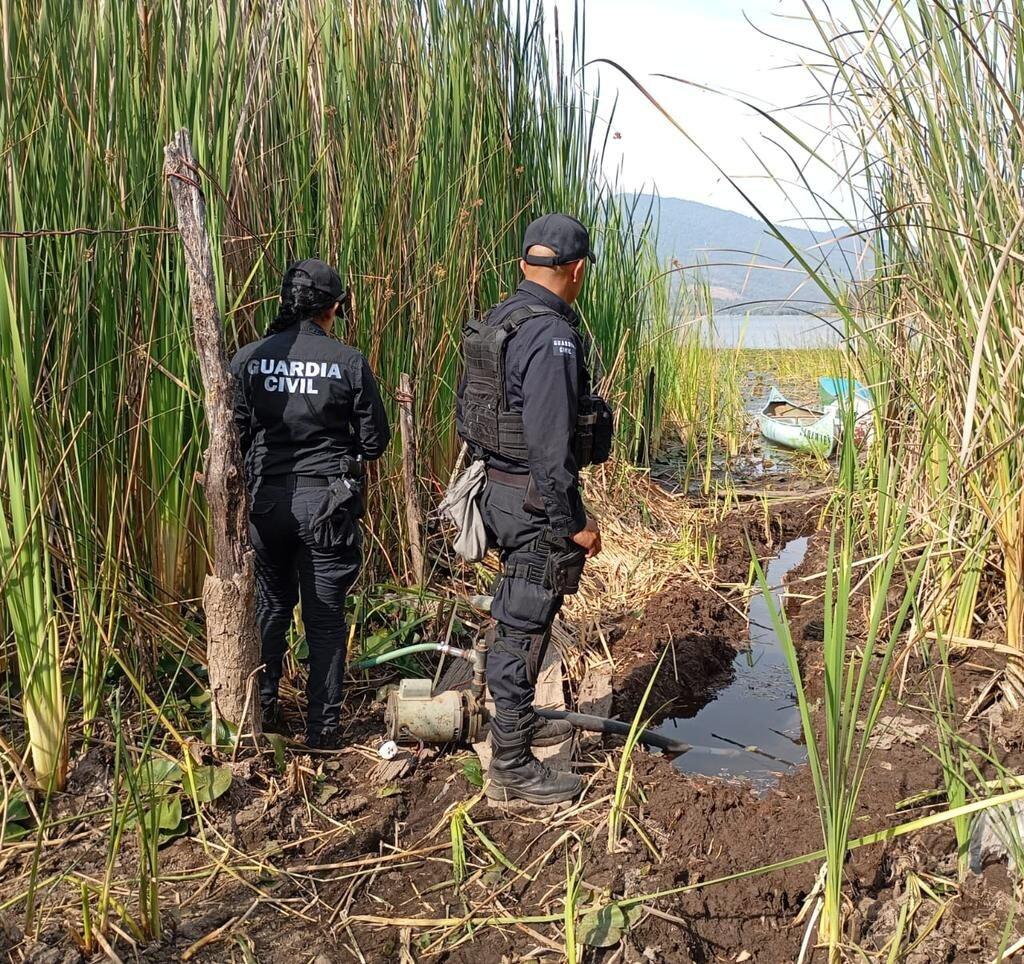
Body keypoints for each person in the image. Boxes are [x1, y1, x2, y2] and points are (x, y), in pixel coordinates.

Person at [456, 213, 612, 804]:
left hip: (499, 489)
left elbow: (473, 414)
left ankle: (517, 724)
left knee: (523, 614)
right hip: (533, 499)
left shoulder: (500, 321)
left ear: (526, 262)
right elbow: (550, 448)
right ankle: (512, 767)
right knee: (522, 623)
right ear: (574, 271)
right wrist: (574, 522)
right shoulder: (551, 337)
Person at [230, 259, 391, 749]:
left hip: (266, 504)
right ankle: (323, 731)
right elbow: (375, 441)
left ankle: (261, 712)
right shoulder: (347, 362)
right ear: (335, 308)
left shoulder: (247, 359)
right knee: (323, 618)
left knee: (271, 606)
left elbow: (232, 436)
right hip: (325, 506)